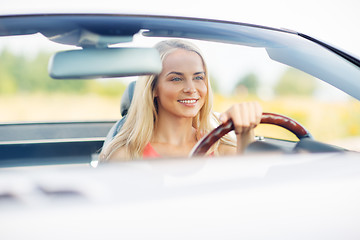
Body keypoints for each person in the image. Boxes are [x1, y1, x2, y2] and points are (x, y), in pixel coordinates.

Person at [100, 39, 262, 162]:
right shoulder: (126, 156)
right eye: (176, 79)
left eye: (198, 77)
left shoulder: (222, 151)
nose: (191, 88)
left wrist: (246, 134)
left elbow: (253, 192)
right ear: (154, 88)